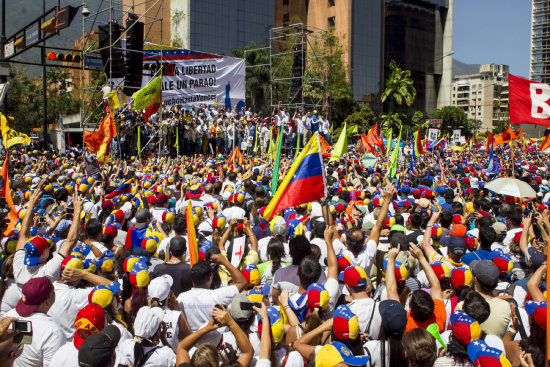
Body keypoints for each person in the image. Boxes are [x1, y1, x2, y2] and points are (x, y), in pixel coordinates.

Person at [5, 277, 66, 367]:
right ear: (46, 303)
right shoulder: (53, 332)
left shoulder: (7, 317)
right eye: (53, 292)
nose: (55, 294)